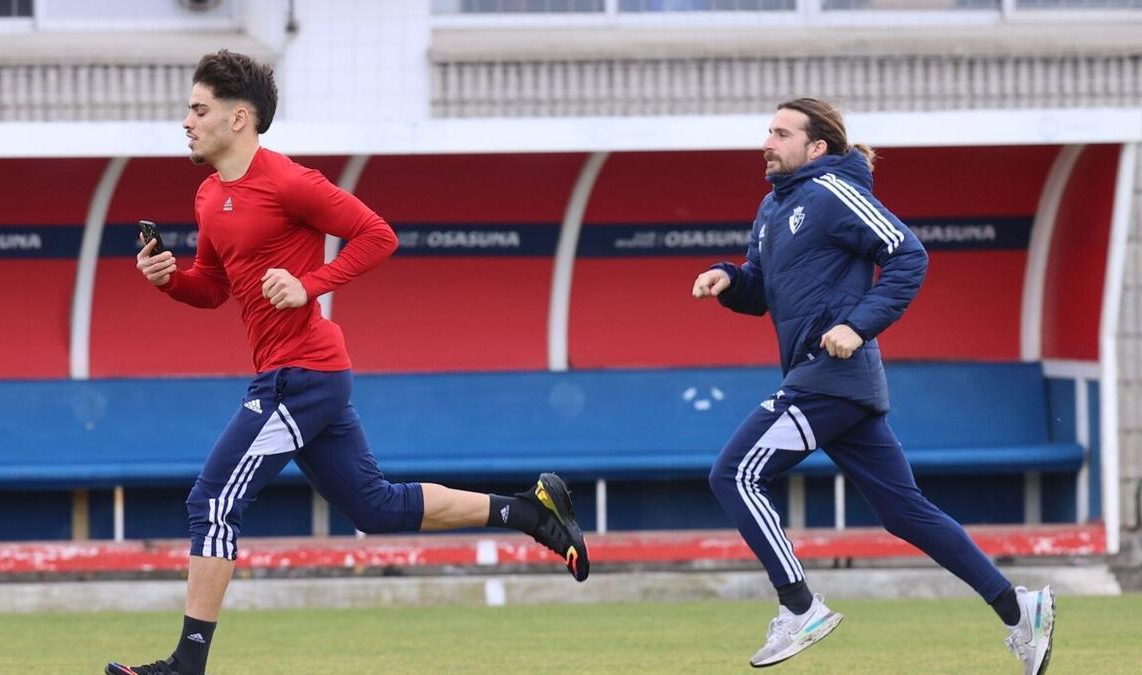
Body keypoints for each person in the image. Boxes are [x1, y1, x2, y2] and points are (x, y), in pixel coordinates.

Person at [105, 50, 589, 675]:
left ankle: (186, 665)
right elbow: (214, 288)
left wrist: (311, 284)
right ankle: (528, 509)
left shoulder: (289, 182)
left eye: (199, 110)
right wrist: (169, 278)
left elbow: (378, 235)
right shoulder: (206, 196)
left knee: (212, 503)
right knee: (376, 508)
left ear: (239, 119)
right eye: (188, 110)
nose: (186, 121)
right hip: (300, 376)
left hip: (301, 374)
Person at [691, 98, 1055, 674]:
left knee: (734, 472)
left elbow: (909, 255)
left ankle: (800, 606)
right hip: (827, 382)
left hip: (829, 377)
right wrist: (729, 279)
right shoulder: (771, 207)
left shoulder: (834, 191)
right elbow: (760, 291)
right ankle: (1019, 608)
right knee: (905, 513)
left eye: (780, 133)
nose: (766, 141)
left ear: (817, 148)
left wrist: (856, 326)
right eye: (767, 131)